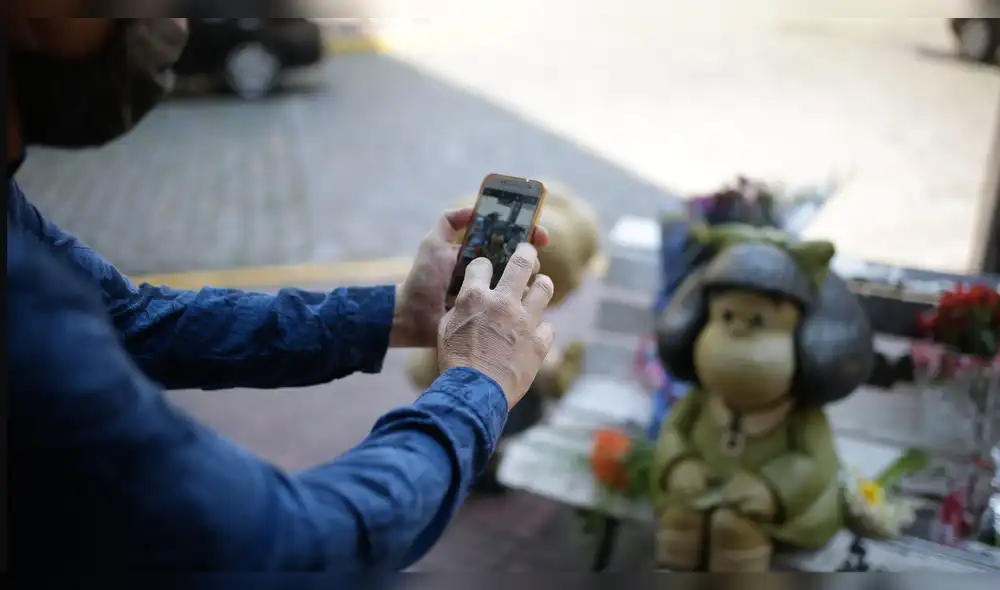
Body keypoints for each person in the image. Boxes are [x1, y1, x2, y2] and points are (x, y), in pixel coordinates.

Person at [7, 15, 557, 570]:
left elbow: (133, 320)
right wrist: (477, 385)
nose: (172, 21)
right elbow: (288, 546)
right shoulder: (21, 301)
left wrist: (394, 316)